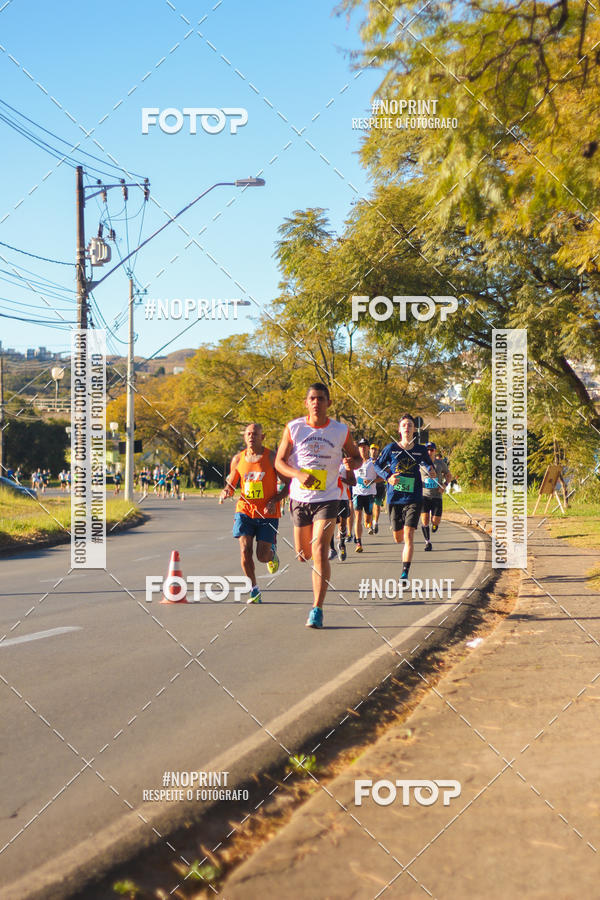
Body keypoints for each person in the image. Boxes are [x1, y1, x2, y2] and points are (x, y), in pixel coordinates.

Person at [275, 383, 361, 628]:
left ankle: (317, 608)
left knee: (320, 551)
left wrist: (352, 463)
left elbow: (357, 458)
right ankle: (314, 584)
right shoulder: (294, 428)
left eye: (321, 398)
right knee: (303, 554)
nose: (316, 402)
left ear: (328, 403)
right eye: (312, 398)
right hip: (300, 498)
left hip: (328, 497)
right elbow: (279, 462)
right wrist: (298, 474)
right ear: (306, 403)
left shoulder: (340, 430)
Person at [220, 423, 288, 604]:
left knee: (261, 556)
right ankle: (254, 590)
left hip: (267, 513)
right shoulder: (237, 459)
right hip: (245, 510)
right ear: (244, 437)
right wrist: (226, 491)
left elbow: (288, 484)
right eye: (248, 434)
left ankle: (271, 554)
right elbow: (231, 484)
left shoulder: (272, 457)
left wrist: (275, 500)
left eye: (255, 434)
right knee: (245, 550)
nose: (251, 436)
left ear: (262, 437)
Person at [372, 414, 436, 582]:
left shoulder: (420, 450)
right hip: (394, 498)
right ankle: (396, 529)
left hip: (414, 497)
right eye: (404, 425)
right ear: (399, 429)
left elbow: (429, 464)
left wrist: (431, 470)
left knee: (409, 535)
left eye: (410, 425)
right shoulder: (391, 448)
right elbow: (377, 465)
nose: (407, 427)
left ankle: (404, 573)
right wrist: (388, 477)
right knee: (398, 537)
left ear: (414, 429)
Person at [420, 442, 452, 551]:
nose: (429, 452)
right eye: (427, 450)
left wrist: (444, 485)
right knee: (424, 520)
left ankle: (435, 525)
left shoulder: (440, 463)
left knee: (435, 520)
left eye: (431, 450)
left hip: (437, 496)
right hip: (424, 496)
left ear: (435, 451)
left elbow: (449, 475)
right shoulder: (420, 463)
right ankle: (427, 542)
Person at [352, 439, 379, 552]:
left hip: (369, 494)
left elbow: (382, 477)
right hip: (357, 493)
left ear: (368, 448)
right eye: (360, 446)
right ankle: (358, 543)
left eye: (364, 446)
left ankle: (368, 522)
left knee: (367, 518)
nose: (362, 448)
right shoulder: (354, 462)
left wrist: (372, 482)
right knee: (358, 517)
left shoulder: (374, 462)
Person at [370, 443, 385, 533]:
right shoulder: (366, 461)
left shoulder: (381, 461)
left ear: (378, 451)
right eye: (372, 449)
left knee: (377, 504)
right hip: (369, 487)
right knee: (370, 505)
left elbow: (384, 473)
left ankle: (375, 522)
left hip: (379, 485)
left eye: (375, 449)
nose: (373, 451)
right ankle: (370, 523)